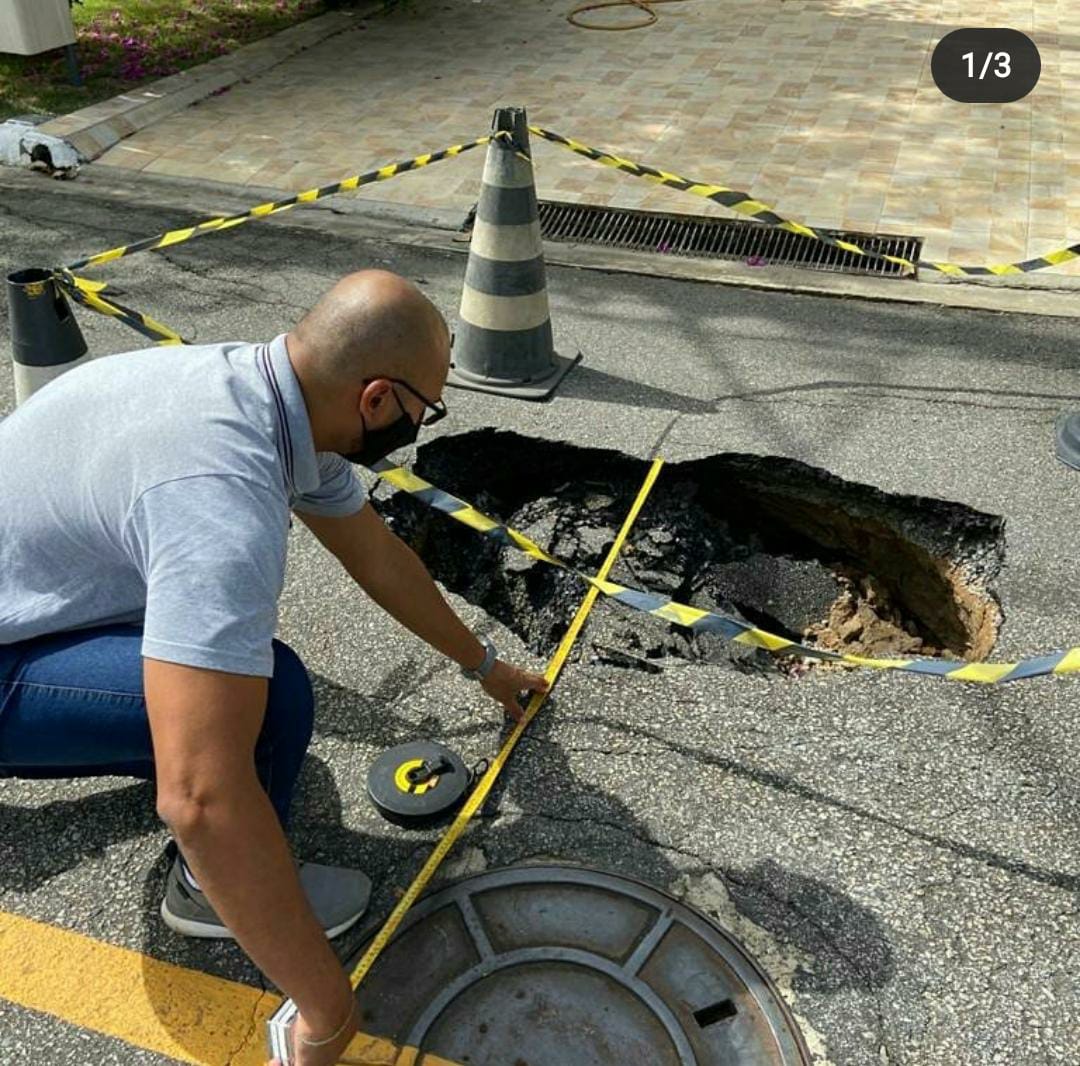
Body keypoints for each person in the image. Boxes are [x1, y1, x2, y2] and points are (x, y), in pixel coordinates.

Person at [0, 269, 549, 1065]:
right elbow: (199, 796)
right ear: (377, 401)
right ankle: (204, 893)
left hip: (25, 593)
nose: (420, 424)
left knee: (247, 688)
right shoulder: (222, 496)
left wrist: (486, 667)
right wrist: (328, 1010)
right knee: (268, 705)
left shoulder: (259, 390)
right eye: (424, 409)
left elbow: (378, 556)